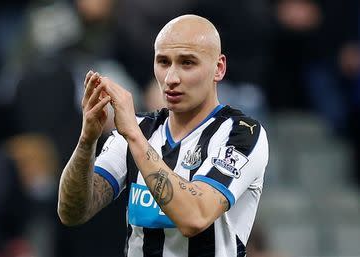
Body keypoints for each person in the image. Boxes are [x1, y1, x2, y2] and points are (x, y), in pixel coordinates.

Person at [58, 14, 269, 256]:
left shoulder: (241, 134)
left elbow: (195, 217)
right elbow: (72, 212)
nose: (171, 78)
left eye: (187, 63)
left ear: (218, 68)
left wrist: (135, 138)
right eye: (163, 62)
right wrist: (87, 141)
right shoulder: (137, 130)